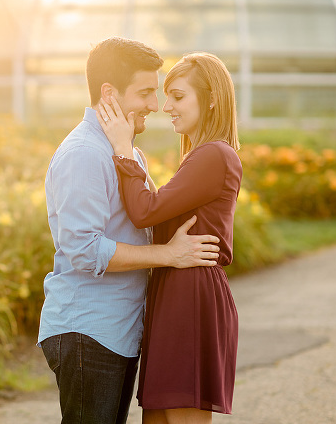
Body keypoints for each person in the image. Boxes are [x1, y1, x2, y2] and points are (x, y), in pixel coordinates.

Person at [38, 38, 222, 424]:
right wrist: (170, 255)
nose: (155, 106)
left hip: (114, 332)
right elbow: (85, 250)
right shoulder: (84, 154)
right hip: (88, 331)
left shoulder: (126, 152)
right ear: (109, 93)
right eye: (145, 93)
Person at [96, 52, 241, 424]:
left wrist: (122, 150)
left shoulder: (214, 155)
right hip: (174, 291)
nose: (165, 107)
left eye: (178, 96)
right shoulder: (201, 156)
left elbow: (145, 210)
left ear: (211, 99)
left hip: (190, 296)